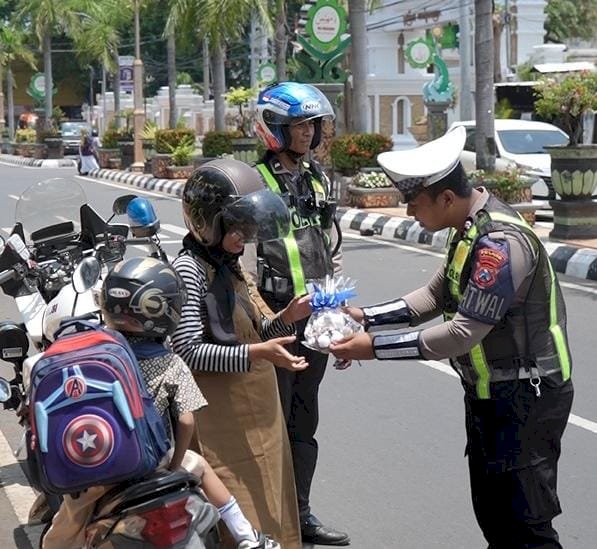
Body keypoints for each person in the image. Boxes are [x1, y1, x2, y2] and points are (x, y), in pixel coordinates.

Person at [330, 126, 574, 549]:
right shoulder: (466, 230)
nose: (409, 213)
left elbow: (463, 333)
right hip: (489, 395)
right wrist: (363, 317)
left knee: (527, 525)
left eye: (414, 202)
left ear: (445, 198)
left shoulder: (499, 242)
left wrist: (372, 348)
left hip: (526, 398)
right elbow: (432, 295)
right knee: (495, 518)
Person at [43, 256, 280, 549]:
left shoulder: (97, 356)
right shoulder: (171, 363)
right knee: (202, 466)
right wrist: (175, 464)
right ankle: (248, 536)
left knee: (59, 536)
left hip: (101, 475)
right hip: (154, 465)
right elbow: (186, 420)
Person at [170, 158, 313, 549]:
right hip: (219, 420)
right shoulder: (190, 270)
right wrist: (256, 353)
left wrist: (288, 317)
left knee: (272, 502)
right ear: (207, 222)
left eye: (247, 226)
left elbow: (260, 329)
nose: (244, 236)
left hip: (260, 415)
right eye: (235, 226)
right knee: (239, 516)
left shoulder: (231, 267)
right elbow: (186, 349)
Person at [246, 81, 349, 546]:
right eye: (298, 125)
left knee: (304, 421)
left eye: (312, 124)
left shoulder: (317, 179)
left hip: (316, 320)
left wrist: (338, 318)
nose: (307, 133)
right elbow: (239, 265)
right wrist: (270, 318)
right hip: (275, 322)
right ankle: (267, 517)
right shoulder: (250, 185)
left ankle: (301, 515)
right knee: (271, 422)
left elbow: (329, 253)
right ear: (274, 128)